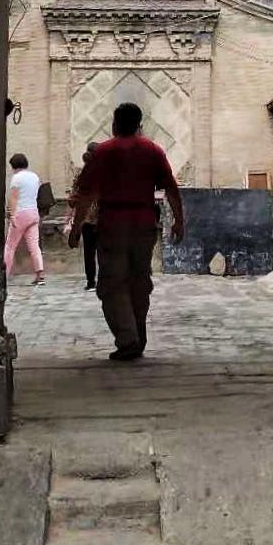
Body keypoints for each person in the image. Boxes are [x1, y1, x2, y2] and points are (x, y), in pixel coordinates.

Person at [77, 102, 184, 361]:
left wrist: (76, 227)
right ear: (139, 125)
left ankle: (128, 338)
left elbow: (86, 194)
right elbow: (171, 188)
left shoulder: (103, 152)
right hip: (144, 223)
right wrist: (179, 221)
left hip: (112, 223)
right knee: (139, 281)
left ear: (114, 124)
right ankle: (138, 334)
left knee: (112, 283)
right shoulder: (153, 150)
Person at [4, 153, 45, 285]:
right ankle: (40, 275)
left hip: (20, 213)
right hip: (33, 212)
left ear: (14, 166)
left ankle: (4, 274)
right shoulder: (35, 177)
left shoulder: (16, 178)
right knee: (34, 246)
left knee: (10, 246)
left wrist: (11, 215)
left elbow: (14, 198)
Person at [67, 142, 100, 291]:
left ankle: (91, 281)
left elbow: (73, 199)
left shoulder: (81, 174)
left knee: (89, 251)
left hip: (85, 218)